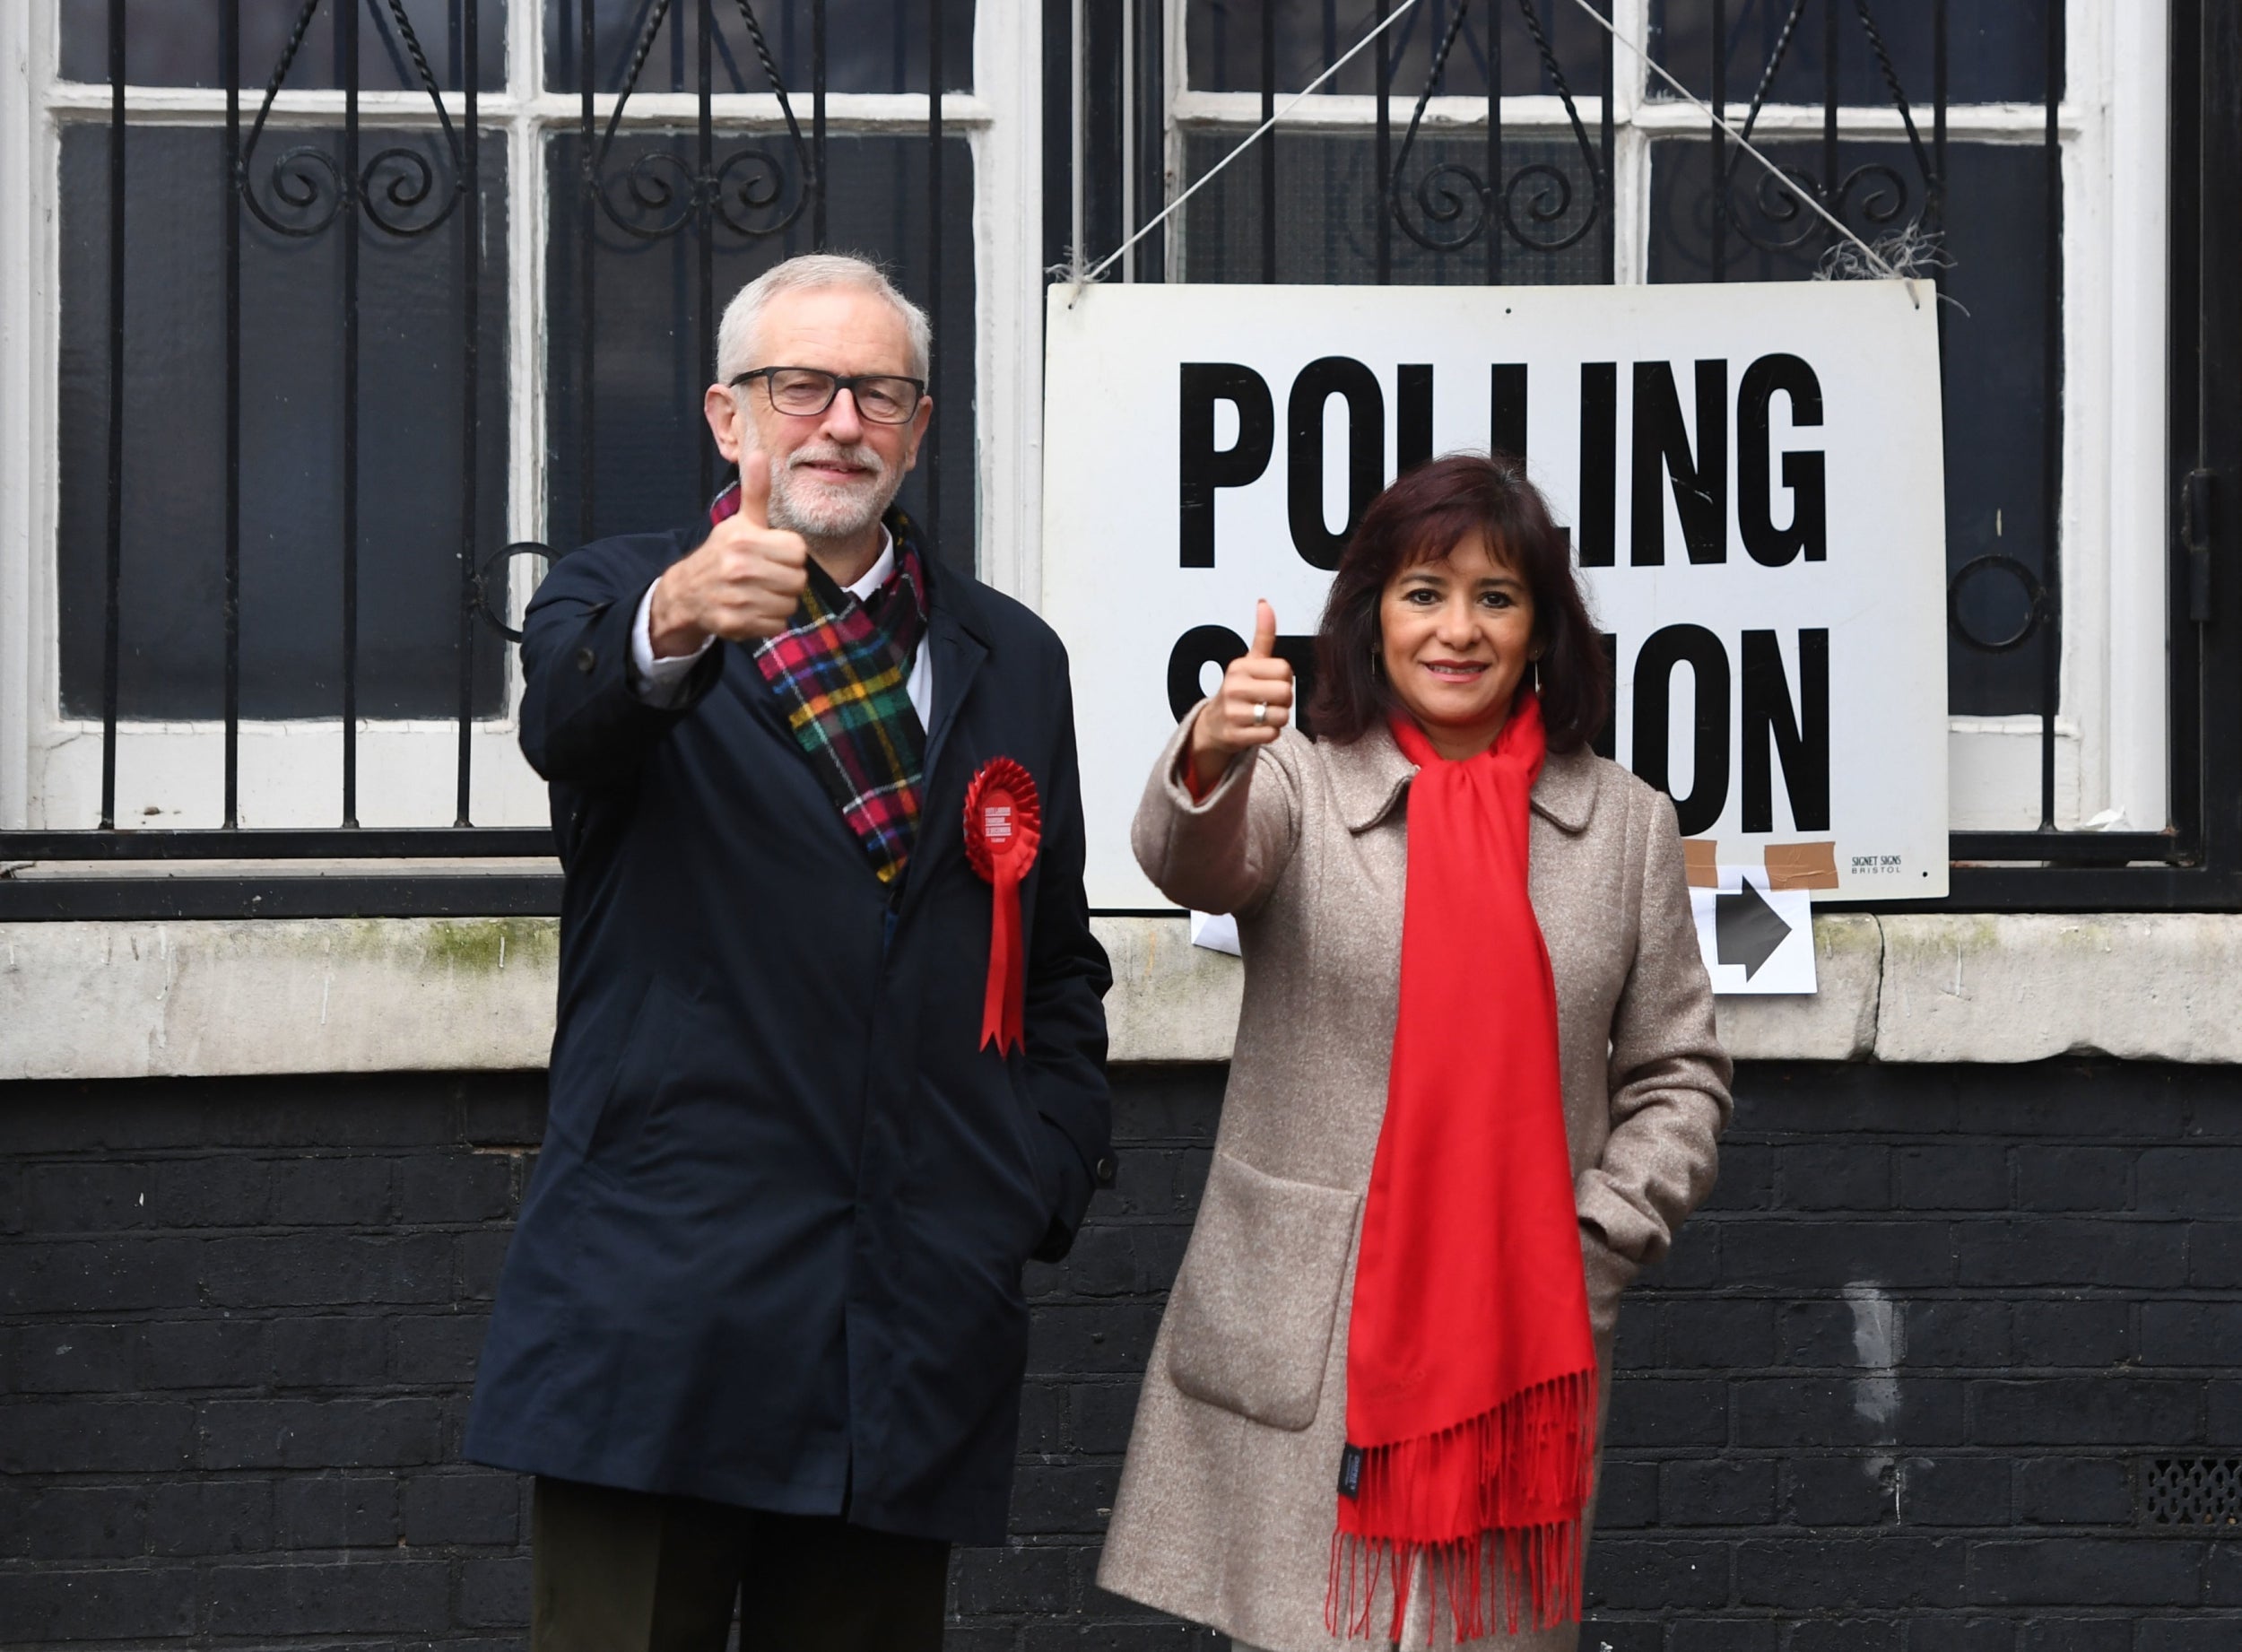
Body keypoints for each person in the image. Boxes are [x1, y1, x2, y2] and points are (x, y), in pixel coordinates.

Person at [465, 253, 1114, 1652]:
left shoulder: (1015, 658)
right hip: (660, 1327)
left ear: (920, 424)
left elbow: (1057, 962)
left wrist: (1034, 1176)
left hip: (906, 1329)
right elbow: (568, 730)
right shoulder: (616, 597)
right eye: (799, 385)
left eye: (878, 391)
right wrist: (683, 614)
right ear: (726, 418)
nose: (839, 421)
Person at [1097, 454, 1730, 1651]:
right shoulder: (1294, 782)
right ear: (1371, 616)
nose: (1458, 629)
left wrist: (1591, 1236)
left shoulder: (1628, 823)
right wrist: (1210, 754)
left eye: (1496, 596)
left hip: (1516, 1349)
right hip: (1315, 1336)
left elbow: (1679, 1075)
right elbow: (1194, 861)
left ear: (1541, 627)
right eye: (1424, 592)